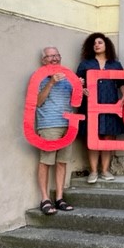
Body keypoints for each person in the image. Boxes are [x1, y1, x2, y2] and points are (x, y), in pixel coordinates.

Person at [76, 33, 124, 184]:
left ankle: (104, 170)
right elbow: (77, 83)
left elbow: (122, 84)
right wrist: (81, 89)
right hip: (91, 106)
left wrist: (123, 99)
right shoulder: (85, 64)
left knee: (108, 137)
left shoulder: (115, 65)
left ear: (106, 45)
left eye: (100, 42)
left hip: (110, 104)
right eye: (94, 43)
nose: (97, 45)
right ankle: (93, 171)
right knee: (92, 138)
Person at [35, 47, 75, 215]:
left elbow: (74, 100)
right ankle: (45, 199)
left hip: (68, 124)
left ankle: (59, 198)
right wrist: (51, 82)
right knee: (46, 162)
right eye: (50, 56)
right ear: (44, 60)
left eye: (56, 55)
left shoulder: (68, 77)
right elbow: (37, 102)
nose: (54, 58)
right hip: (48, 125)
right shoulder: (39, 78)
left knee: (62, 162)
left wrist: (81, 88)